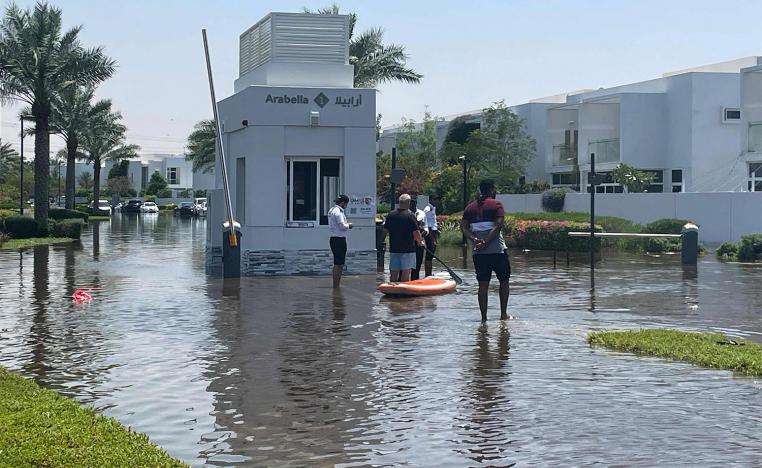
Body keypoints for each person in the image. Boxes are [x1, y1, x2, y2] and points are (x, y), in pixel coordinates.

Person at [461, 180, 510, 322]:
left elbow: (463, 227)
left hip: (479, 253)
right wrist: (487, 242)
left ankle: (483, 319)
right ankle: (503, 315)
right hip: (497, 251)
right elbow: (499, 225)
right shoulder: (497, 205)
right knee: (504, 281)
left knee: (483, 284)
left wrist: (475, 240)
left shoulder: (469, 208)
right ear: (492, 190)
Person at [384, 194, 425, 283]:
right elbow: (416, 233)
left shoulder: (391, 215)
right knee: (406, 273)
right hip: (408, 249)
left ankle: (392, 290)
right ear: (409, 203)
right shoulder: (410, 215)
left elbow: (385, 231)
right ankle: (403, 293)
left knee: (394, 273)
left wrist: (381, 242)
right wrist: (420, 242)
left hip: (394, 249)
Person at [328, 194, 352, 288]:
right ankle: (336, 285)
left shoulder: (331, 210)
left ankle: (336, 284)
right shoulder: (338, 212)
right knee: (339, 264)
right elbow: (342, 226)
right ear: (343, 203)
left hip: (334, 238)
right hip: (339, 239)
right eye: (346, 204)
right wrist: (349, 225)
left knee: (337, 263)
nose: (346, 206)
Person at [409, 197, 428, 280]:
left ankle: (415, 280)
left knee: (417, 266)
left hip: (419, 243)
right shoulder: (406, 214)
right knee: (406, 267)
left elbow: (426, 228)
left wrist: (422, 233)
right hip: (408, 243)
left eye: (413, 203)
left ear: (416, 203)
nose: (412, 205)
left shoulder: (422, 213)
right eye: (410, 203)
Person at [423, 194, 440, 277]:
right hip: (430, 234)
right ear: (431, 200)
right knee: (429, 255)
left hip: (433, 233)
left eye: (438, 199)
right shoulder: (428, 209)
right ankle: (428, 274)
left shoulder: (433, 208)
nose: (437, 201)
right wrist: (433, 239)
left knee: (431, 254)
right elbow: (429, 225)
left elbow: (433, 223)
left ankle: (429, 273)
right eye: (435, 199)